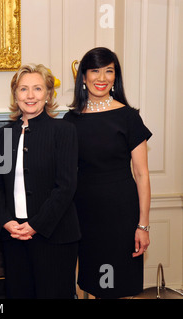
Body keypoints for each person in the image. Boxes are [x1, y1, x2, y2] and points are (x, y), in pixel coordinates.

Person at [63, 47, 152, 298]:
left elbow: (142, 174)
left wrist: (143, 226)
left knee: (117, 286)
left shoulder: (129, 117)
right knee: (92, 286)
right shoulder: (70, 121)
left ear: (116, 77)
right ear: (83, 77)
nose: (102, 77)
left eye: (109, 71)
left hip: (121, 217)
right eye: (95, 71)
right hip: (84, 217)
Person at [0, 64, 81, 299]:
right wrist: (6, 221)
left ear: (48, 94)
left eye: (37, 88)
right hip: (14, 239)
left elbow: (66, 187)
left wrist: (36, 225)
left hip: (55, 237)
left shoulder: (64, 131)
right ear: (15, 95)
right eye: (23, 89)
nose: (30, 95)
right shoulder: (3, 135)